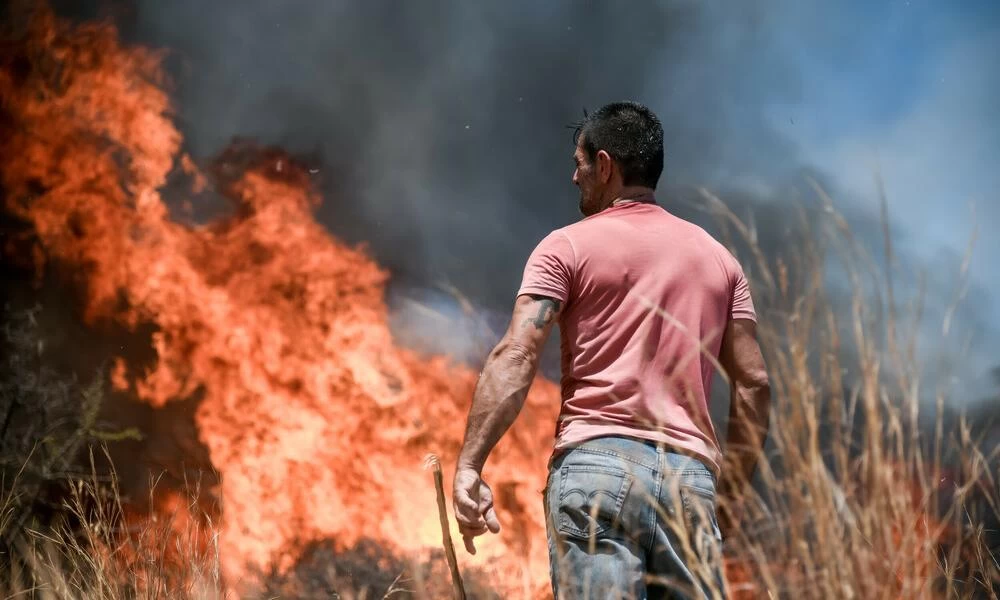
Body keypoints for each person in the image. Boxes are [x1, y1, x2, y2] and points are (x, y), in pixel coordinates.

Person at [453, 101, 771, 599]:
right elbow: (754, 384)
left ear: (605, 166)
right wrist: (726, 498)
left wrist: (471, 464)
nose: (572, 176)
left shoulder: (565, 247)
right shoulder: (720, 260)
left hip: (596, 471)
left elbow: (516, 356)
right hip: (689, 480)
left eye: (578, 163)